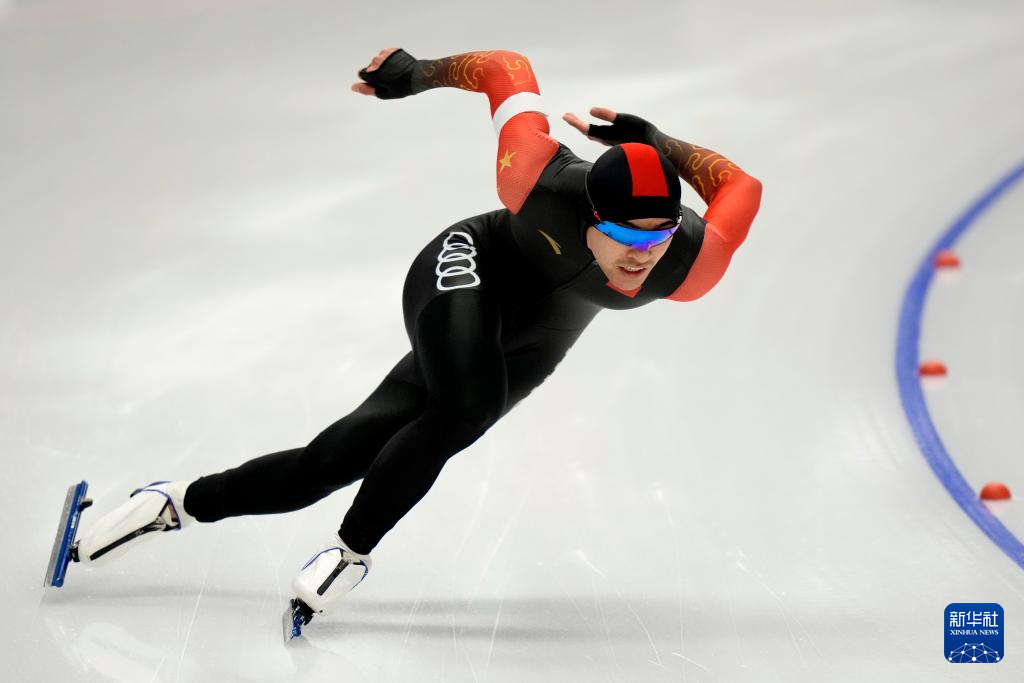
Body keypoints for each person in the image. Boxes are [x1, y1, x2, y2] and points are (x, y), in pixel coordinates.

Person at [66, 47, 762, 631]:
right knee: (467, 404)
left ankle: (172, 502)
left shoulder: (691, 263)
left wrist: (661, 143)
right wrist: (417, 73)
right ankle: (349, 554)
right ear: (588, 214)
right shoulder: (537, 177)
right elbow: (505, 68)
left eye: (659, 235)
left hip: (541, 335)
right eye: (623, 235)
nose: (642, 255)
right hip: (471, 266)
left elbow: (742, 185)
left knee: (330, 462)